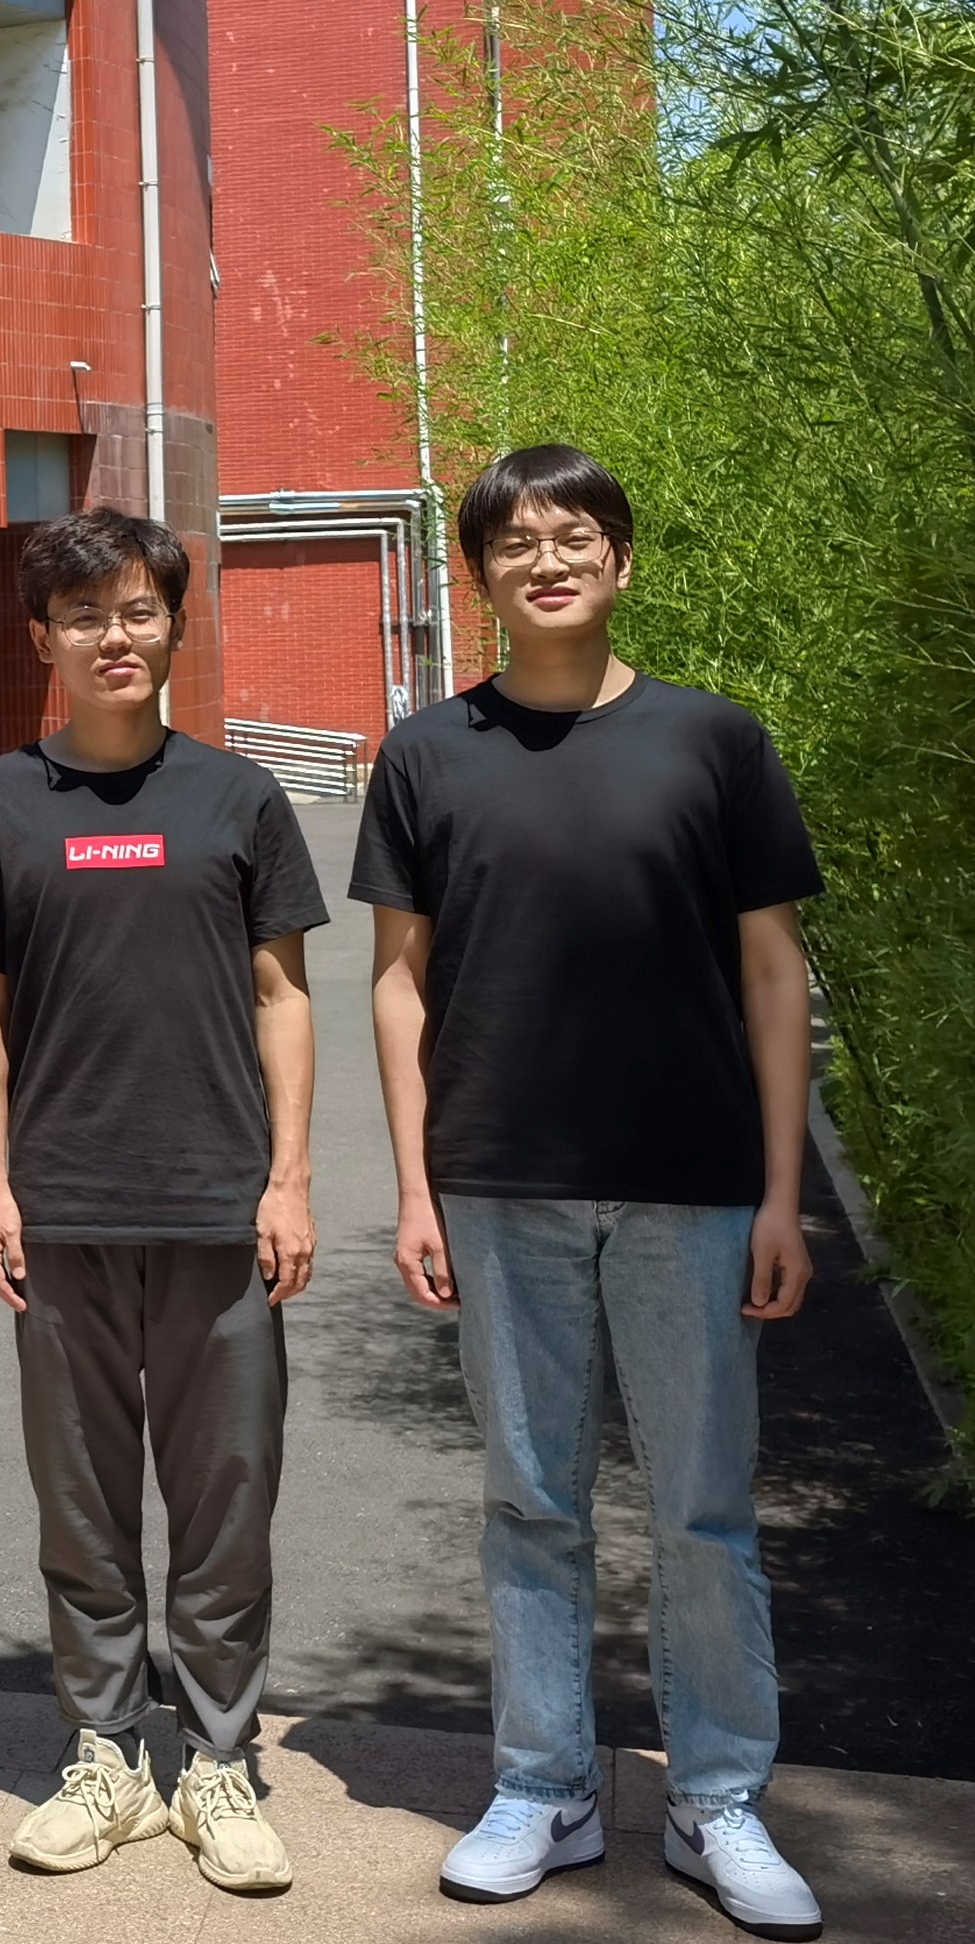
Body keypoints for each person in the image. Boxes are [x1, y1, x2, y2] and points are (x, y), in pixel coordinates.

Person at [354, 445, 824, 1939]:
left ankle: (718, 1798)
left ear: (619, 559)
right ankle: (544, 1785)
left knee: (704, 1509)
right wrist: (417, 1187)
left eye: (575, 537)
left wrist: (781, 1194)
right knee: (531, 1501)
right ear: (480, 574)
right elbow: (399, 985)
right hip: (501, 1183)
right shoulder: (427, 754)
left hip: (693, 1184)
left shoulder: (714, 740)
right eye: (516, 542)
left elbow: (772, 973)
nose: (547, 561)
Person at [0, 507, 325, 1893]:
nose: (116, 636)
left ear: (174, 626)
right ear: (42, 640)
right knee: (83, 1508)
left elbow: (283, 995)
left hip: (220, 1208)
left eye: (139, 611)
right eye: (85, 616)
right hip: (64, 1213)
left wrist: (289, 1177)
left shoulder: (239, 799)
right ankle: (105, 1756)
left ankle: (216, 1761)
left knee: (227, 1506)